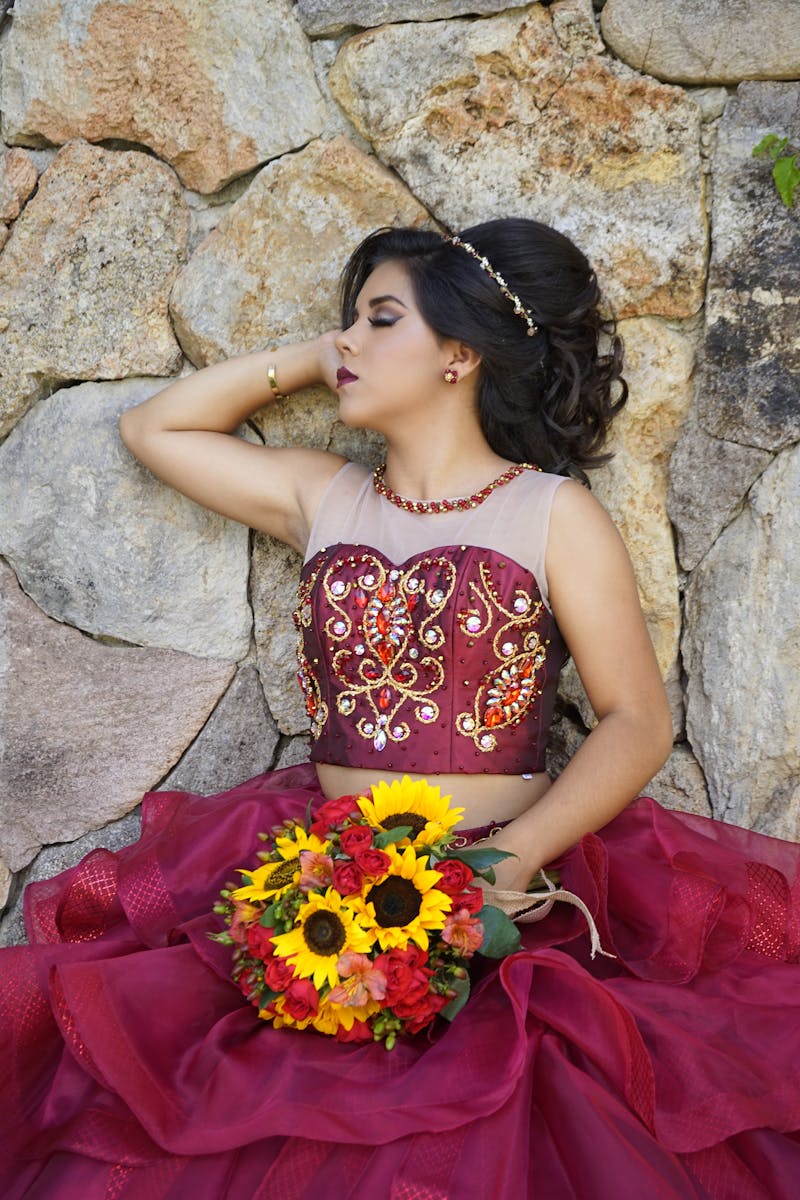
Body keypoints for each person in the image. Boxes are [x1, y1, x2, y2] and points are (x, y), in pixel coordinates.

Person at [2, 219, 799, 1198]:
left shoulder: (549, 513)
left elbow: (636, 720)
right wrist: (317, 355)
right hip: (323, 880)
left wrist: (513, 862)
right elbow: (153, 430)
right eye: (351, 320)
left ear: (459, 354)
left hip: (507, 886)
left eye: (381, 319)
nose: (350, 339)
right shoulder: (323, 497)